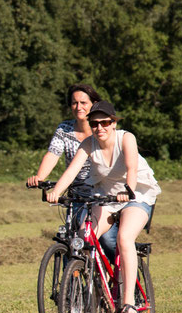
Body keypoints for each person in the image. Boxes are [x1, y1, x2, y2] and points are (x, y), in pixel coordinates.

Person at [46, 101, 161, 313]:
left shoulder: (126, 138)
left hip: (136, 195)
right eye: (95, 123)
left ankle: (128, 302)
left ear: (113, 122)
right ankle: (98, 285)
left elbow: (132, 168)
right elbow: (72, 171)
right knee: (84, 236)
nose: (100, 128)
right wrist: (56, 191)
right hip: (106, 197)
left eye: (105, 122)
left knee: (124, 238)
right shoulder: (89, 144)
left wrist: (129, 190)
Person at [27, 84, 117, 253]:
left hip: (102, 192)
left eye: (83, 102)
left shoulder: (102, 127)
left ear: (94, 104)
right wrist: (39, 178)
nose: (79, 107)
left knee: (107, 240)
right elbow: (52, 154)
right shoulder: (64, 129)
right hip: (76, 193)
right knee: (72, 237)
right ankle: (72, 276)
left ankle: (119, 273)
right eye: (74, 103)